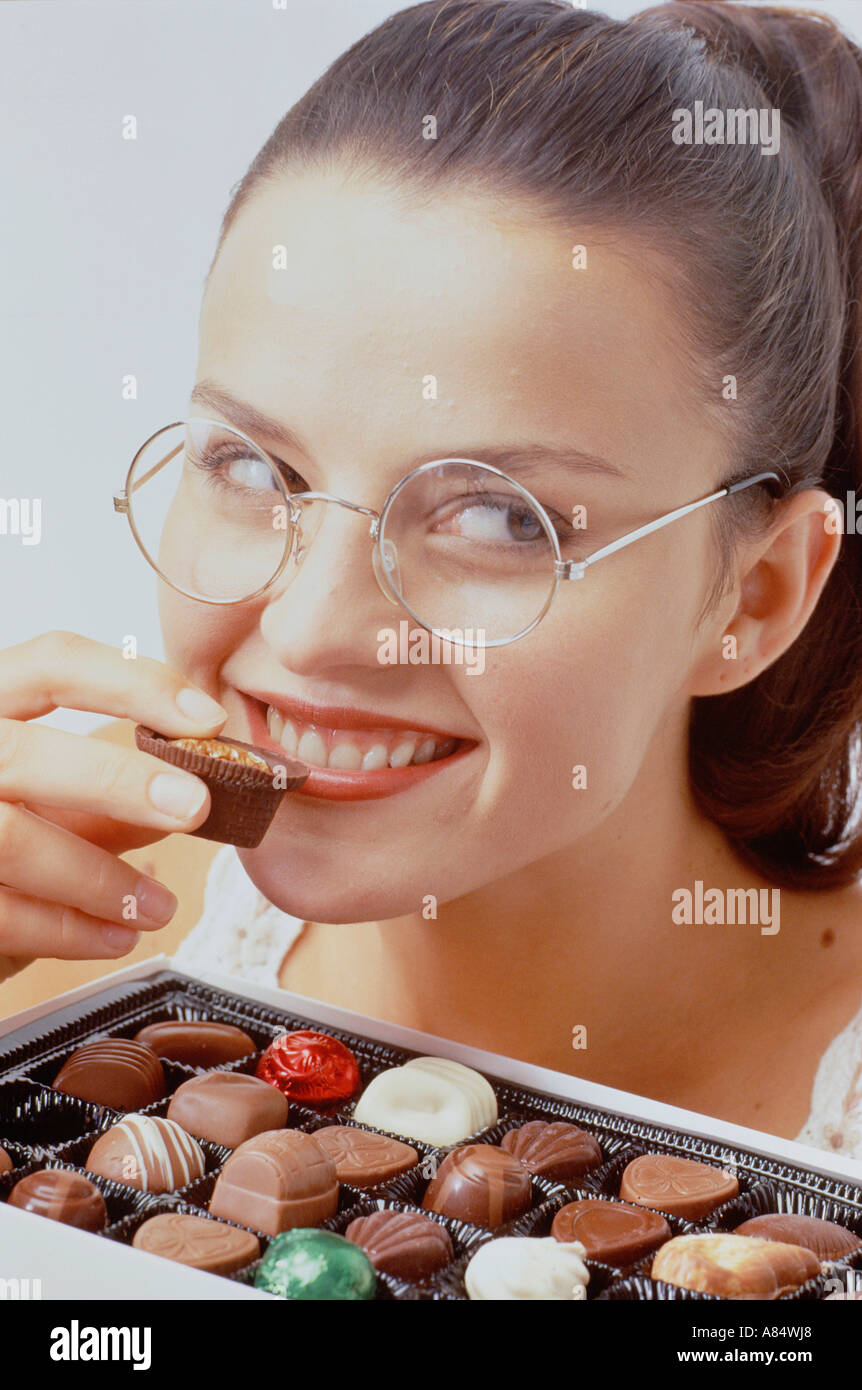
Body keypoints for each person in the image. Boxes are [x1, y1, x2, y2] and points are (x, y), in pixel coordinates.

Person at [2, 0, 862, 1153]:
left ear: (751, 597)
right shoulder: (69, 878)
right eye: (252, 465)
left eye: (502, 518)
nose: (308, 632)